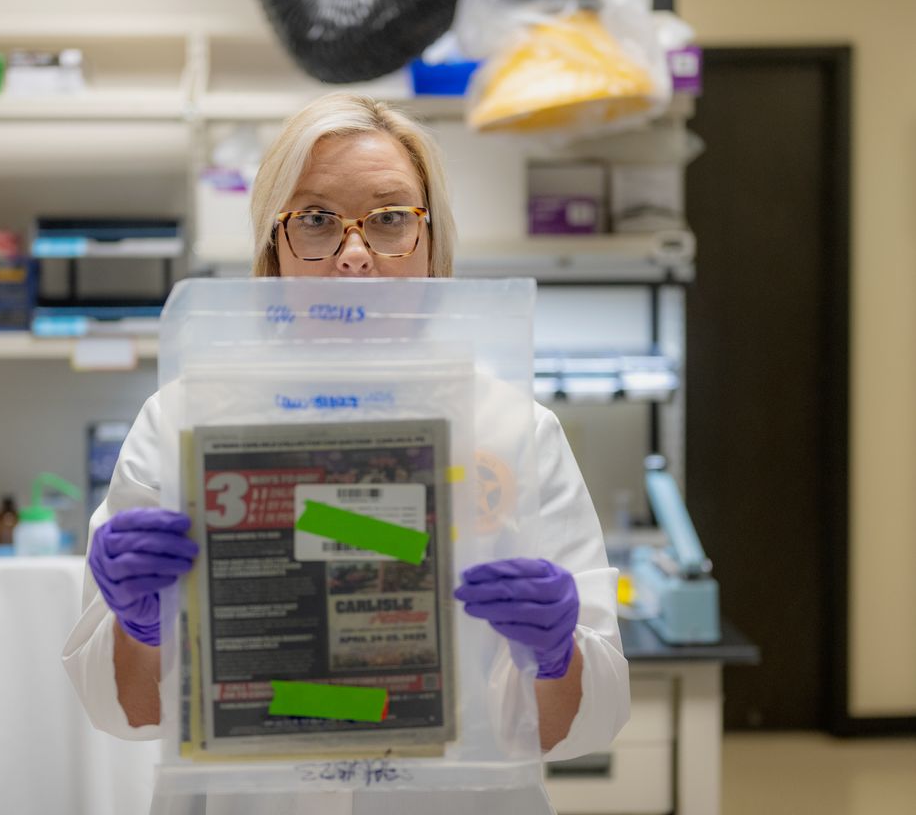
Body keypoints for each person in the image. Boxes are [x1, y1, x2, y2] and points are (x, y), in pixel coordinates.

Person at [63, 92, 629, 814]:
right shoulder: (183, 425)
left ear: (431, 245)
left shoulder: (513, 431)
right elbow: (129, 710)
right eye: (317, 221)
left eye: (391, 219)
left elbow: (588, 720)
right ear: (275, 246)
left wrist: (557, 656)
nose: (355, 255)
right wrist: (137, 626)